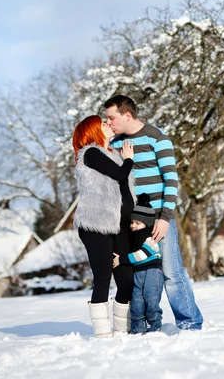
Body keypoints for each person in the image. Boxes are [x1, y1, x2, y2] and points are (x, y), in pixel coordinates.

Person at [105, 95, 203, 331]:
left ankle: (190, 323)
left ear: (127, 115)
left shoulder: (157, 137)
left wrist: (165, 217)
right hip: (131, 222)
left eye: (111, 118)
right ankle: (142, 323)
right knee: (136, 272)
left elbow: (171, 179)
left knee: (171, 271)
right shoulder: (116, 143)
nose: (108, 122)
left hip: (158, 218)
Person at [72, 114, 136, 337]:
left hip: (119, 226)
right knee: (102, 278)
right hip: (95, 225)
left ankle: (123, 331)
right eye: (102, 123)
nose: (108, 124)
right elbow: (120, 175)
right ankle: (102, 335)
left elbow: (124, 188)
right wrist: (129, 160)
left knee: (126, 279)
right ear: (91, 131)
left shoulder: (115, 156)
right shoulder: (90, 153)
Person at [113, 193, 164, 334]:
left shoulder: (151, 239)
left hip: (152, 273)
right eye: (132, 222)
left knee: (151, 301)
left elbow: (141, 255)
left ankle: (155, 329)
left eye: (137, 223)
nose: (133, 226)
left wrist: (121, 259)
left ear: (146, 223)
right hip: (137, 273)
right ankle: (138, 329)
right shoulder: (133, 239)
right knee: (136, 303)